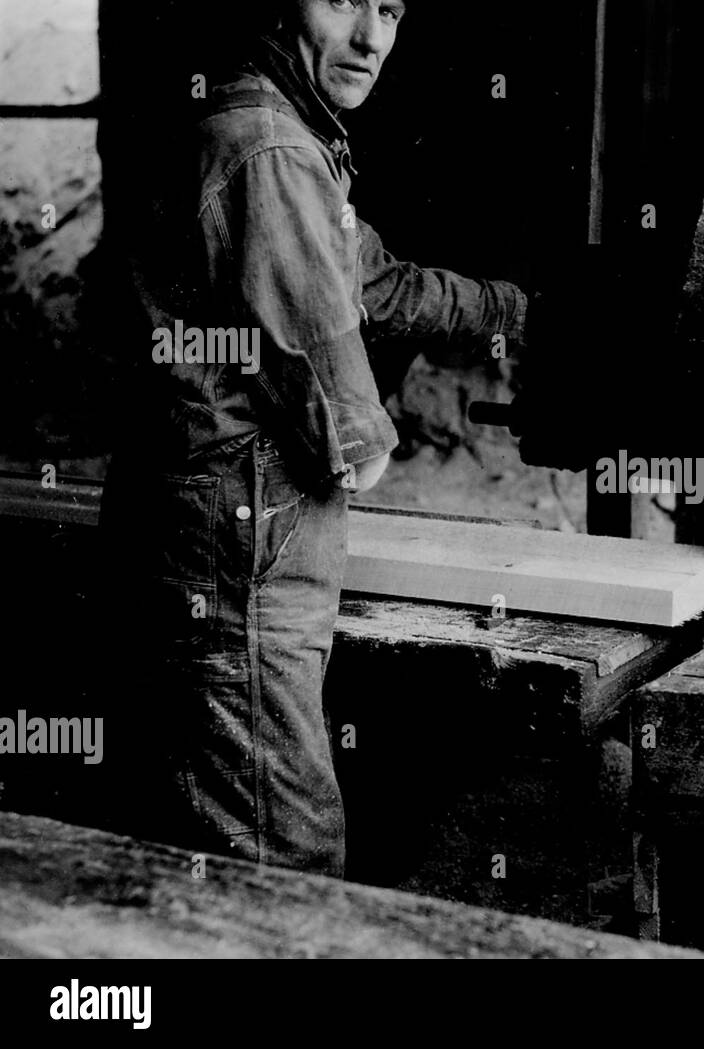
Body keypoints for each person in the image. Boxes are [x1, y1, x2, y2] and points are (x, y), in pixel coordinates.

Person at [99, 0, 527, 877]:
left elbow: (376, 280)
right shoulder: (274, 153)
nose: (372, 40)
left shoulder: (276, 130)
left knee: (208, 862)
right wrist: (373, 430)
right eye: (344, 3)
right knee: (282, 858)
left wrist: (515, 312)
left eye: (392, 10)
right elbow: (348, 421)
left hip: (217, 554)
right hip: (238, 569)